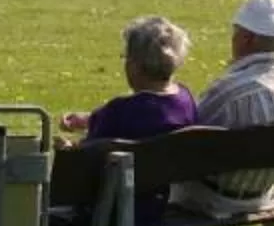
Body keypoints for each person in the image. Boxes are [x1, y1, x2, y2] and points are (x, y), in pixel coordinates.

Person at [173, 0, 274, 216]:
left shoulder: (229, 91)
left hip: (209, 197)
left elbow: (188, 137)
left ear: (247, 39)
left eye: (235, 34)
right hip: (262, 193)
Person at [58, 14, 200, 146]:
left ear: (134, 66)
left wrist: (68, 148)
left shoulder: (119, 111)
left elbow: (88, 154)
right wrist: (90, 119)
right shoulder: (185, 99)